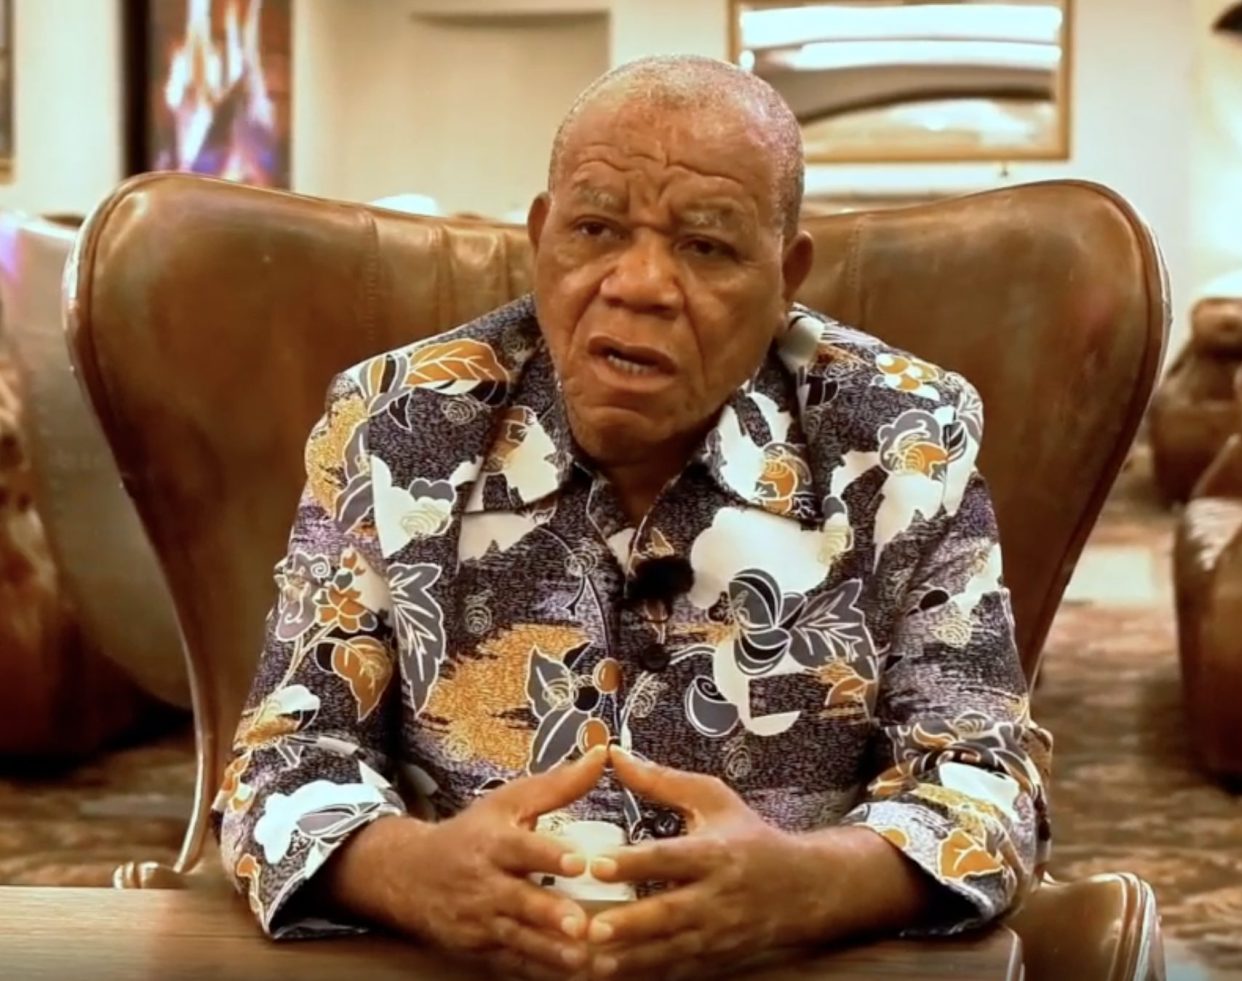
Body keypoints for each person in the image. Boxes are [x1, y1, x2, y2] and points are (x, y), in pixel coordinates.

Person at [213, 54, 1052, 981]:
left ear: (786, 275)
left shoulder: (904, 439)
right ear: (542, 238)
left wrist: (812, 887)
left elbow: (987, 783)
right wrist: (411, 873)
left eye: (707, 246)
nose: (641, 283)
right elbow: (282, 760)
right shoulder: (397, 424)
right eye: (596, 229)